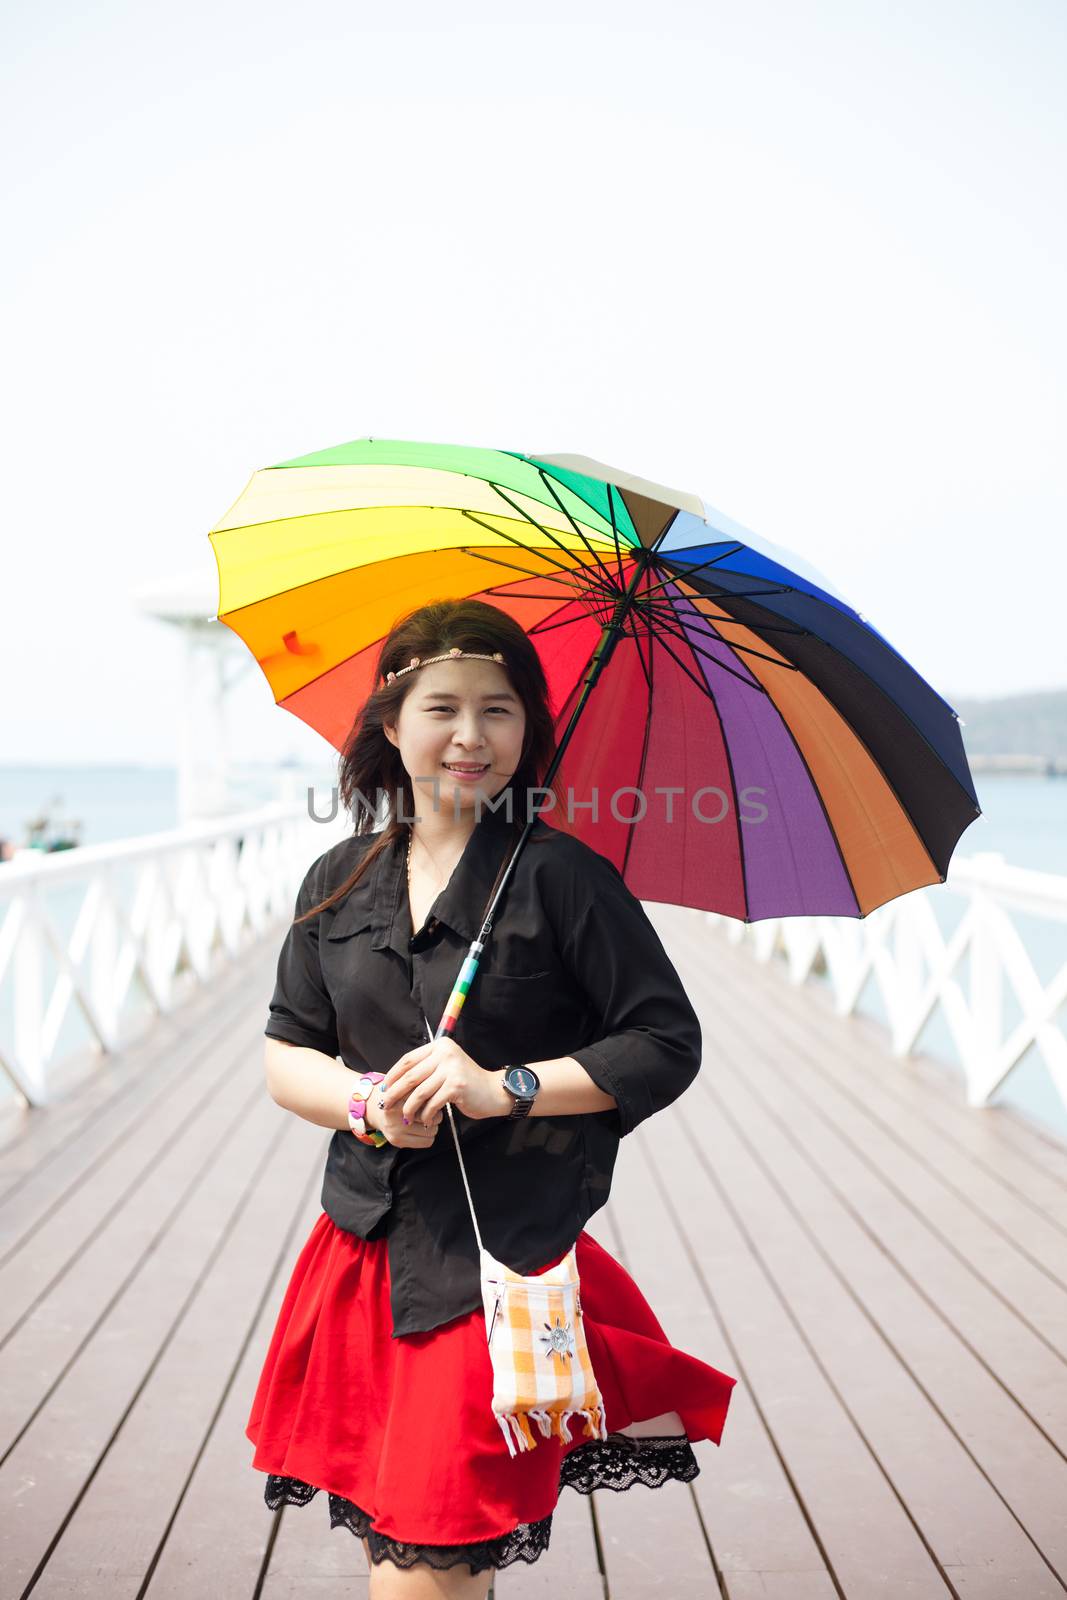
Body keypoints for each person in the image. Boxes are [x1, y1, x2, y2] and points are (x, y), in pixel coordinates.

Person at [246, 598, 736, 1598]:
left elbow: (662, 1042)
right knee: (403, 1543)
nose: (469, 736)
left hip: (493, 1264)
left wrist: (499, 1086)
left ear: (530, 727)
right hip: (362, 1249)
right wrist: (363, 1102)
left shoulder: (563, 879)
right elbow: (286, 1052)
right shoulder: (337, 880)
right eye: (442, 707)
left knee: (428, 1560)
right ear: (390, 722)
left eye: (499, 709)